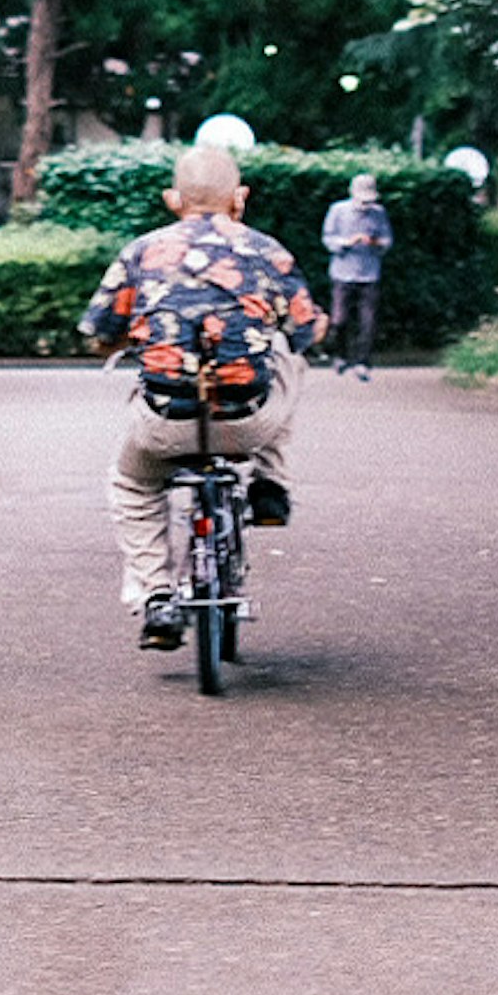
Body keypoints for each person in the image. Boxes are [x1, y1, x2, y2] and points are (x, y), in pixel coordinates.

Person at [79, 144, 327, 648]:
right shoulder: (268, 251)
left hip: (165, 418)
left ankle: (157, 598)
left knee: (133, 484)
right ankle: (270, 483)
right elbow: (309, 329)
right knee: (288, 355)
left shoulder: (141, 252)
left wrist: (139, 337)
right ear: (241, 196)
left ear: (174, 199)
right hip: (248, 417)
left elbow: (98, 333)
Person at [318, 172, 393, 378]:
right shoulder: (338, 210)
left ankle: (363, 361)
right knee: (339, 319)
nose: (365, 205)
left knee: (368, 321)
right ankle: (341, 357)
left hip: (369, 274)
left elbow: (387, 241)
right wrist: (347, 242)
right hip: (343, 273)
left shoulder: (379, 213)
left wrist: (375, 242)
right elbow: (328, 239)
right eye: (362, 200)